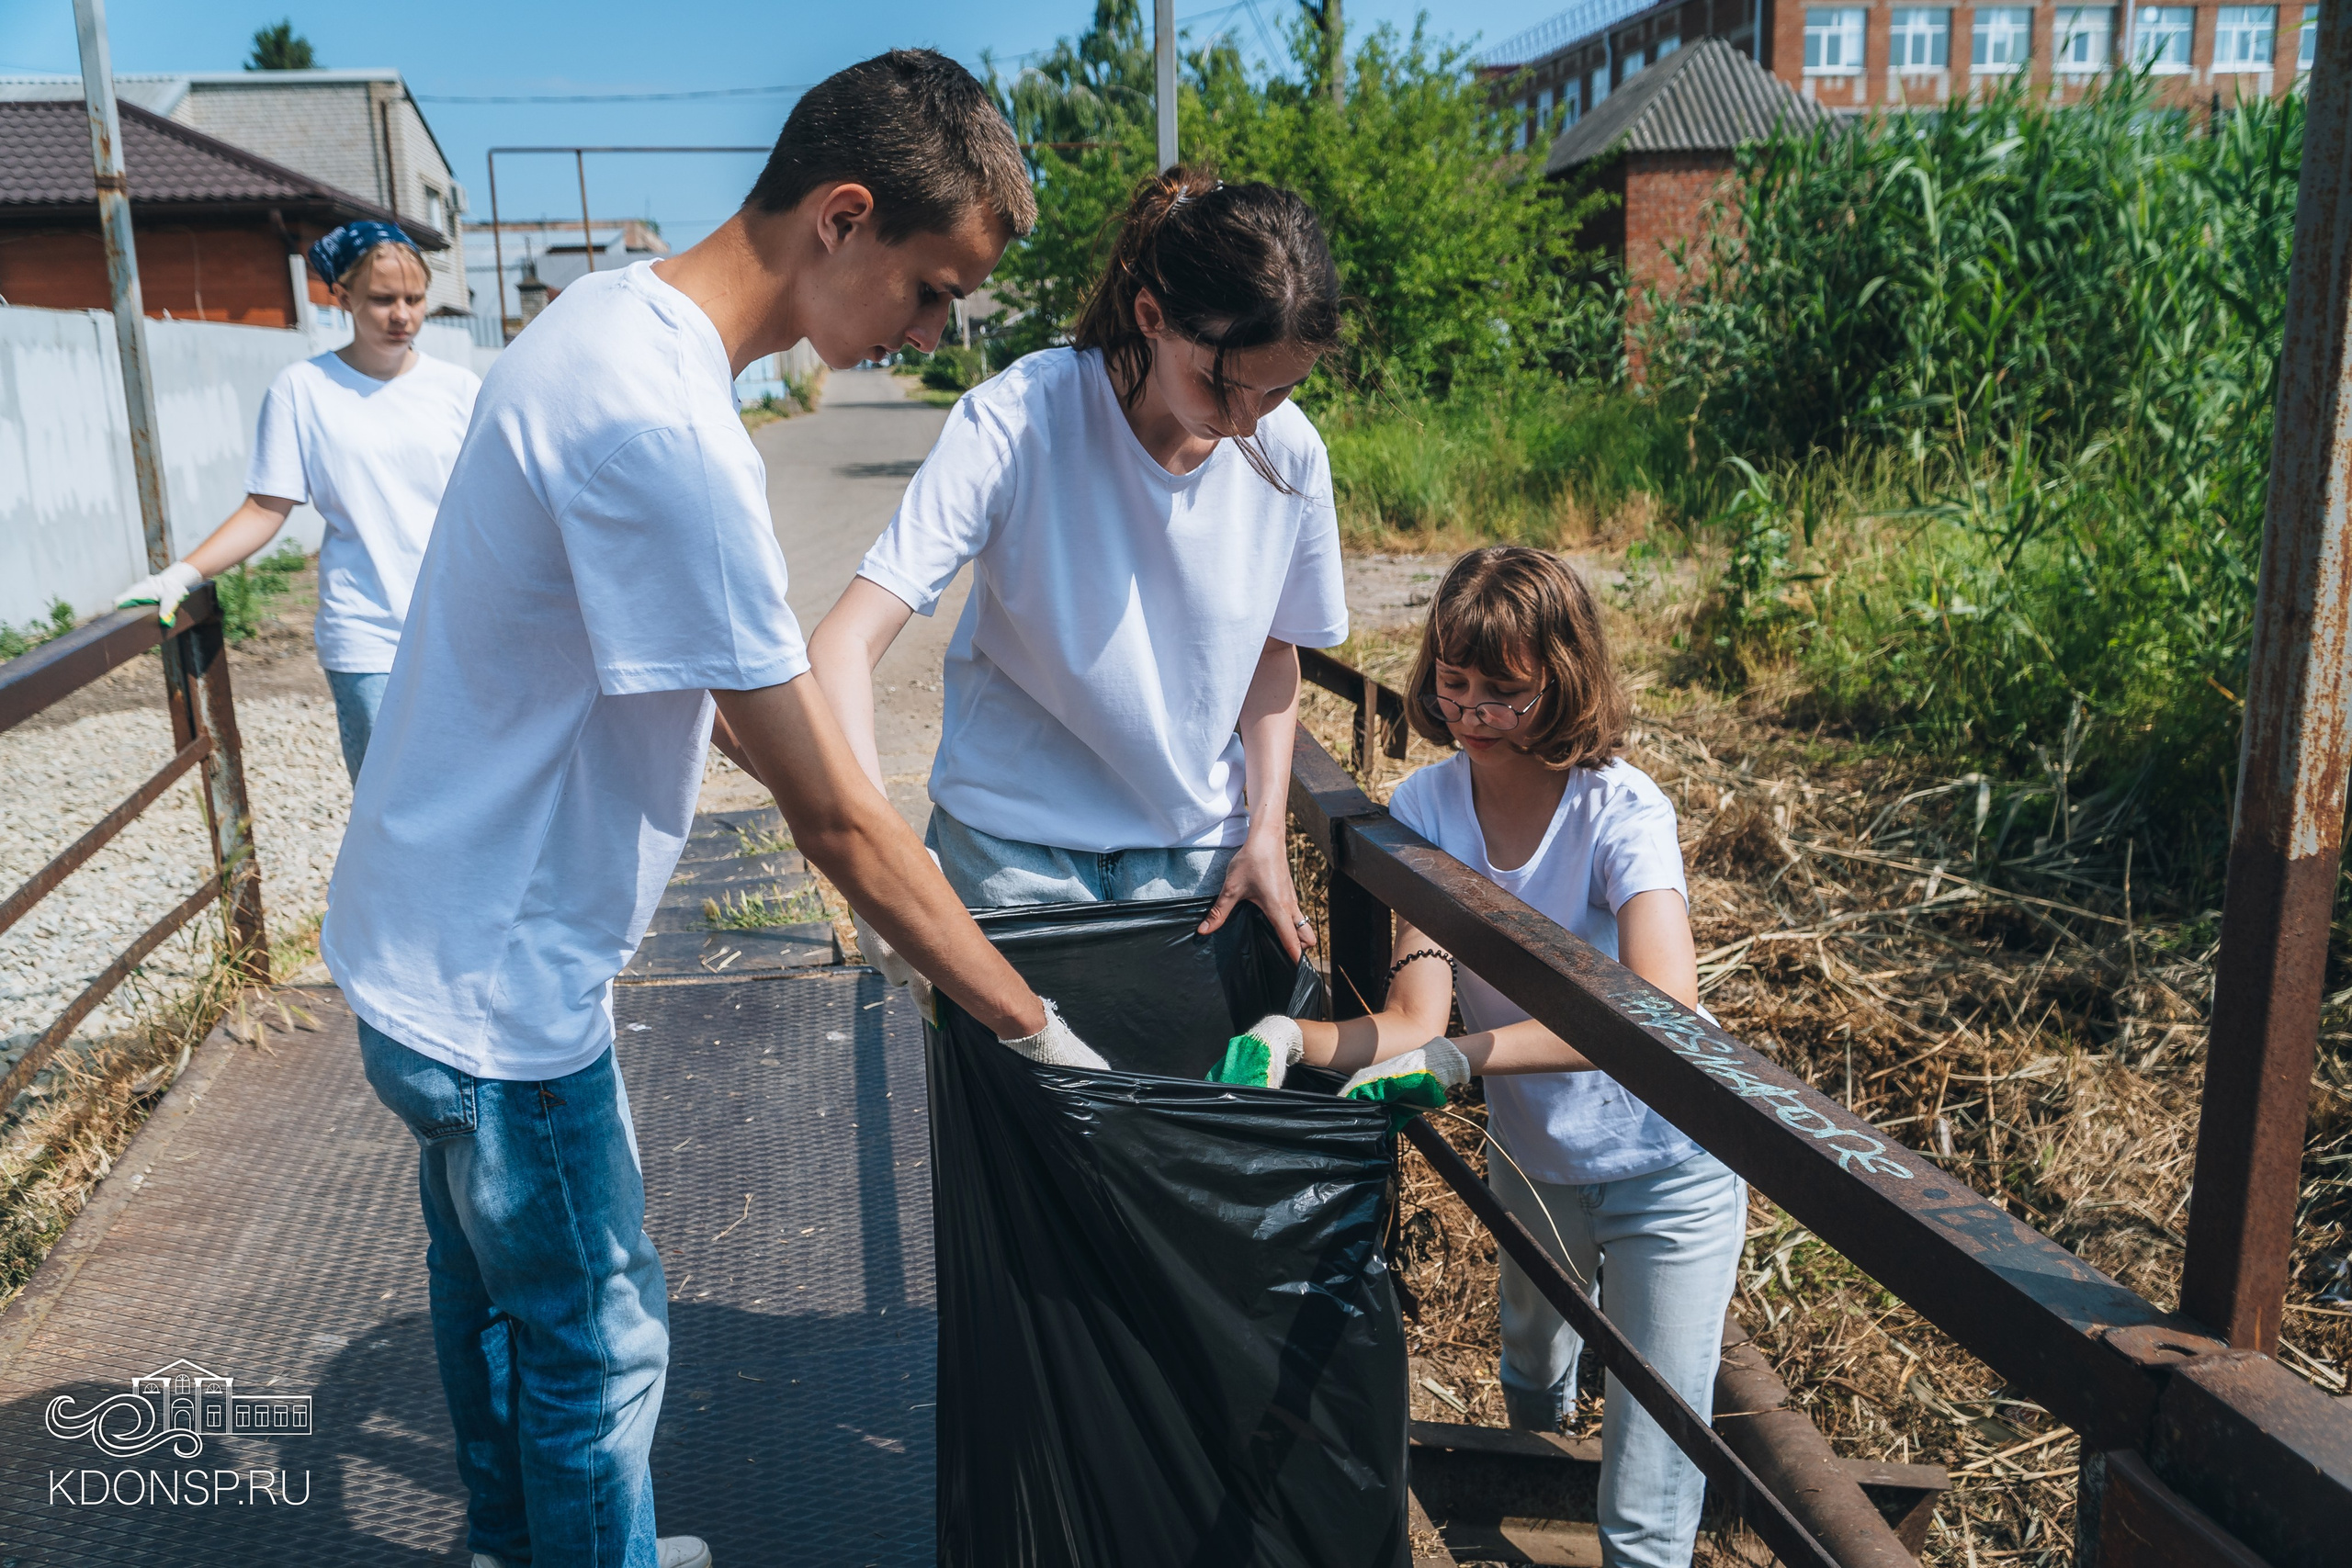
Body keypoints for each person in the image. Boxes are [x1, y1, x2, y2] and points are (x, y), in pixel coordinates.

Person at [320, 52, 1101, 1568]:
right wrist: (1035, 1027)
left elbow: (744, 719)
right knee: (601, 1345)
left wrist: (838, 802)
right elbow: (837, 822)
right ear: (844, 218)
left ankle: (513, 1543)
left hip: (411, 940)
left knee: (492, 1301)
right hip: (502, 987)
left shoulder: (609, 321)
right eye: (934, 290)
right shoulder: (670, 438)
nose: (935, 332)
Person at [1213, 547, 1744, 1568]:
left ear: (1564, 681)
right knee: (1532, 1369)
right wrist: (1298, 1039)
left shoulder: (1619, 813)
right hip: (1537, 1161)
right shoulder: (1427, 809)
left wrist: (1469, 1061)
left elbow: (1662, 1007)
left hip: (1667, 1169)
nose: (1471, 711)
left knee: (1648, 1482)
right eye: (1453, 684)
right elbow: (1418, 1015)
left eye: (1503, 691)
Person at [808, 166, 1348, 966]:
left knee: (1187, 1096)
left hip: (1197, 865)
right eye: (1221, 383)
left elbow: (1273, 655)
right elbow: (843, 642)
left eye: (1276, 391)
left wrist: (1266, 829)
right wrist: (880, 862)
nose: (1245, 421)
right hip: (1010, 860)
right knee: (1017, 1095)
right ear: (1150, 315)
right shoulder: (1019, 419)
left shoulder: (1292, 449)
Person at [114, 221, 480, 781]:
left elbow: (497, 507)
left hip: (464, 629)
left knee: (474, 797)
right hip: (368, 637)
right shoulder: (303, 389)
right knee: (388, 806)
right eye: (382, 299)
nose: (402, 315)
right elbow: (265, 508)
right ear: (341, 296)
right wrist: (181, 574)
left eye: (414, 298)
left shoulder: (459, 390)